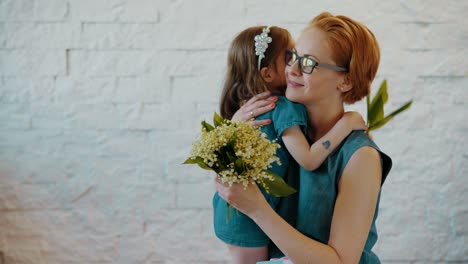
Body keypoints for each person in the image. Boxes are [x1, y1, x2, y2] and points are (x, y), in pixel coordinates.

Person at [215, 12, 392, 263]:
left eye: (308, 63)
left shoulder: (360, 157)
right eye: (293, 56)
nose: (292, 69)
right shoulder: (282, 130)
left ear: (346, 81)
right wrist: (234, 136)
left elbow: (341, 261)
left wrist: (257, 208)